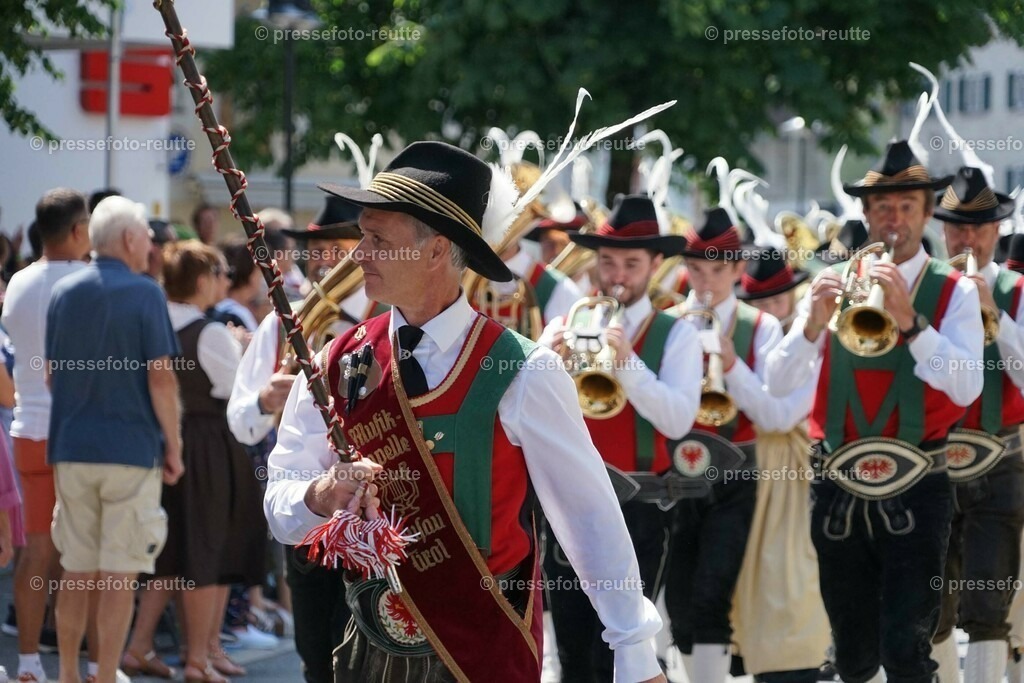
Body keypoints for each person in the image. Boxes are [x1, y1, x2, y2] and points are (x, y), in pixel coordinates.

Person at [265, 141, 666, 682]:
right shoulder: (336, 360)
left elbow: (588, 516)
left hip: (482, 645)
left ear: (436, 251)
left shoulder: (526, 371)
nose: (358, 255)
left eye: (378, 240)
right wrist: (318, 495)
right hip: (369, 645)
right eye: (362, 235)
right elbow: (281, 504)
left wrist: (634, 647)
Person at [765, 140, 984, 683]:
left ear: (927, 214)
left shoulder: (955, 291)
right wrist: (810, 325)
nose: (894, 218)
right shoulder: (834, 284)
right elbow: (777, 383)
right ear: (865, 214)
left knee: (906, 649)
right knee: (852, 654)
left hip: (919, 482)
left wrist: (912, 323)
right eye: (883, 207)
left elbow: (966, 387)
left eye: (907, 206)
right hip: (837, 483)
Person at [537, 193, 701, 681]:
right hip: (570, 504)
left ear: (655, 265)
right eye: (608, 262)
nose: (618, 276)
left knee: (622, 654)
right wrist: (544, 365)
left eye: (632, 264)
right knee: (571, 652)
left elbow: (678, 421)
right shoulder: (564, 326)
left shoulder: (678, 333)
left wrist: (627, 362)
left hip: (641, 507)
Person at [227, 194, 367, 683]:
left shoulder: (392, 317)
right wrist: (266, 398)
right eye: (319, 251)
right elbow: (240, 418)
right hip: (307, 509)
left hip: (372, 512)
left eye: (338, 250)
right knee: (316, 654)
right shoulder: (284, 320)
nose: (325, 261)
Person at [662, 208, 803, 683]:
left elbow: (772, 413)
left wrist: (731, 364)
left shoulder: (760, 327)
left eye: (717, 270)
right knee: (678, 602)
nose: (705, 282)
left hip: (737, 474)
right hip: (676, 472)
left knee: (712, 595)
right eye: (695, 269)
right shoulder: (667, 322)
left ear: (739, 269)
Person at [46, 195, 183, 683]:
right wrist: (174, 446)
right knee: (119, 575)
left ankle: (67, 674)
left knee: (77, 569)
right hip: (130, 452)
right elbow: (161, 379)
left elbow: (51, 377)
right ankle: (104, 676)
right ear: (128, 239)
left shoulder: (64, 291)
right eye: (146, 237)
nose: (151, 246)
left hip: (71, 448)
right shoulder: (146, 294)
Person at [930, 166, 1024, 682]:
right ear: (943, 231)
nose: (967, 238)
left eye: (979, 228)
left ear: (996, 230)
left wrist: (996, 315)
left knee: (990, 603)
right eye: (957, 228)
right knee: (933, 606)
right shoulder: (926, 290)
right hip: (933, 459)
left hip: (1000, 456)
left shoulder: (1018, 289)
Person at [1, 188, 91, 683]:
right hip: (79, 434)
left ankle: (30, 662)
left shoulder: (17, 280)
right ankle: (86, 665)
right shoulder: (88, 280)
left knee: (36, 552)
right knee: (83, 555)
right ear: (78, 230)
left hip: (29, 429)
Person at [730, 247, 831, 683]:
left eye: (777, 299)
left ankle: (798, 660)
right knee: (750, 573)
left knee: (788, 570)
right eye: (761, 303)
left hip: (795, 463)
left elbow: (781, 414)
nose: (770, 310)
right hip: (748, 462)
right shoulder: (749, 333)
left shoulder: (815, 337)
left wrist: (730, 367)